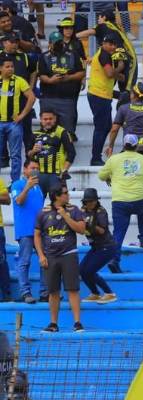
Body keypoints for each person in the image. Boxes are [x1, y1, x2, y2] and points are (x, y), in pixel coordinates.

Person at [98, 134, 143, 271]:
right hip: (139, 199)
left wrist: (110, 177)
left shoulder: (114, 159)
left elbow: (101, 176)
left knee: (118, 233)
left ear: (124, 145)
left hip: (120, 201)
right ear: (137, 146)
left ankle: (114, 260)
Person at [106, 83, 143, 219]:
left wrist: (110, 146)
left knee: (126, 174)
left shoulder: (123, 108)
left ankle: (127, 203)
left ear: (133, 94)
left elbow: (114, 129)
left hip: (129, 147)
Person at [34, 185, 86, 333]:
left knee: (73, 289)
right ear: (56, 196)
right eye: (65, 193)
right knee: (53, 291)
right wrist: (41, 255)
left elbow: (81, 229)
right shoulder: (43, 213)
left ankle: (77, 323)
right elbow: (37, 235)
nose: (68, 195)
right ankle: (53, 323)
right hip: (50, 256)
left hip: (69, 254)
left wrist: (65, 215)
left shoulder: (73, 210)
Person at [37, 30, 85, 139]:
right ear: (49, 44)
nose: (59, 44)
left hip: (68, 99)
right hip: (48, 98)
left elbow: (82, 72)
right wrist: (50, 80)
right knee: (47, 131)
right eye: (55, 42)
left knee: (67, 133)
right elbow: (41, 75)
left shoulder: (73, 55)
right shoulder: (43, 56)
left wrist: (69, 77)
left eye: (60, 42)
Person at [11, 160, 46, 303]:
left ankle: (45, 292)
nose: (35, 170)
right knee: (24, 262)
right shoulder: (17, 184)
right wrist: (27, 187)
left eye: (37, 168)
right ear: (25, 170)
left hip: (40, 230)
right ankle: (26, 293)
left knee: (45, 261)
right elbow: (18, 201)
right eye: (32, 168)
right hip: (25, 230)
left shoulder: (39, 188)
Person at [87, 34, 122, 166]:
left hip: (101, 94)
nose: (113, 47)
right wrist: (120, 67)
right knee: (101, 127)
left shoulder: (102, 54)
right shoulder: (104, 55)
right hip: (99, 95)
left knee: (106, 126)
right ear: (103, 43)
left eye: (115, 44)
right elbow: (109, 73)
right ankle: (95, 158)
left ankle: (96, 156)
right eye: (110, 43)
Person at [0, 55, 34, 181]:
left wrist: (22, 115)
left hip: (14, 124)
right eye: (7, 67)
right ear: (1, 69)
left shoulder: (19, 80)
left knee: (15, 155)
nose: (10, 69)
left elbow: (31, 97)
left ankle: (14, 182)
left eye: (12, 66)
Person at [80, 188, 117, 304]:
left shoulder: (101, 212)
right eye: (87, 201)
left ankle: (109, 293)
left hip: (107, 247)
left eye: (92, 201)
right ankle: (95, 293)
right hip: (95, 247)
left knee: (90, 271)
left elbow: (101, 230)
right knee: (81, 270)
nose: (90, 203)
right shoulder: (82, 211)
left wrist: (89, 224)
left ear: (96, 201)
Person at [28, 109, 75, 196]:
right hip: (39, 175)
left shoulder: (62, 132)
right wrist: (33, 151)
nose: (48, 121)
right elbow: (28, 155)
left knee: (60, 203)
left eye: (50, 119)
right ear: (41, 120)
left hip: (56, 175)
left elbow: (72, 153)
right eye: (45, 119)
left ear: (55, 119)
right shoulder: (35, 133)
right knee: (37, 203)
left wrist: (64, 170)